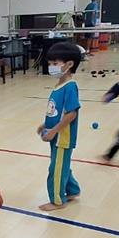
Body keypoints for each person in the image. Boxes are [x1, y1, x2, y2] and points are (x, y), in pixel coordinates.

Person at [38, 42, 82, 211]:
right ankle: (73, 190)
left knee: (56, 169)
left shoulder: (70, 87)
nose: (51, 67)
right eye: (50, 63)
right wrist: (45, 125)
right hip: (54, 135)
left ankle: (57, 200)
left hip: (62, 138)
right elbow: (57, 111)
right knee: (61, 165)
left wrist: (54, 131)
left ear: (69, 64)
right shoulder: (59, 85)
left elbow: (71, 114)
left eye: (55, 63)